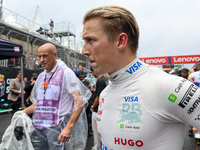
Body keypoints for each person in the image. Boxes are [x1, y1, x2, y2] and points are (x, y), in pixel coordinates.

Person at [82, 5, 200, 150]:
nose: (83, 50)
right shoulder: (106, 92)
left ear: (120, 42)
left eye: (91, 40)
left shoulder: (167, 86)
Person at [22, 43, 91, 149]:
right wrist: (22, 113)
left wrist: (69, 127)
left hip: (59, 130)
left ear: (54, 55)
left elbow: (79, 101)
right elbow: (39, 104)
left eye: (45, 56)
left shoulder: (65, 73)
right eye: (39, 56)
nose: (41, 60)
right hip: (40, 129)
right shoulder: (41, 76)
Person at [90, 68, 108, 150]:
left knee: (96, 132)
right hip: (103, 109)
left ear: (94, 71)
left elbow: (98, 97)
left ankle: (96, 147)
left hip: (97, 110)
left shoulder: (100, 81)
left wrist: (93, 107)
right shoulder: (105, 79)